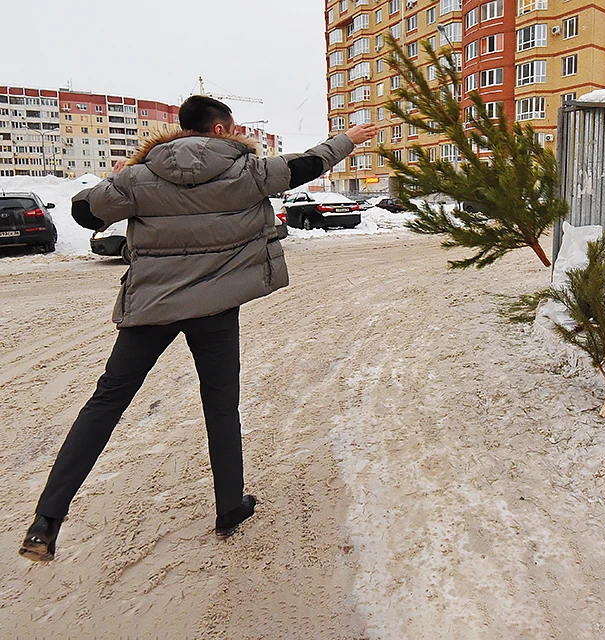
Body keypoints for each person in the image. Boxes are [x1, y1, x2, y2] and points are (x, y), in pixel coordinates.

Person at [19, 95, 376, 562]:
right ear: (222, 129)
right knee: (220, 405)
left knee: (106, 402)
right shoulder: (247, 171)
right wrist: (346, 140)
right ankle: (229, 507)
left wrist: (118, 176)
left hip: (151, 308)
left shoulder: (139, 177)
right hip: (215, 310)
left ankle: (47, 519)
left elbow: (85, 213)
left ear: (181, 129)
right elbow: (305, 165)